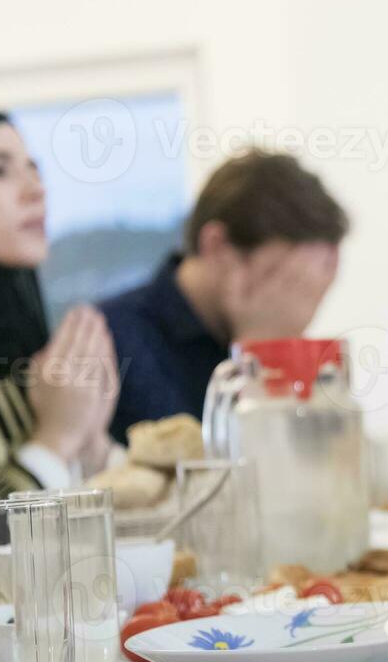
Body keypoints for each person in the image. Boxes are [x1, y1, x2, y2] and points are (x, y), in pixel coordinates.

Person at [99, 148, 347, 442]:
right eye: (287, 281)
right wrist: (262, 352)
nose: (297, 315)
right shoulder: (113, 341)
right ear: (217, 247)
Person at [0, 104, 118, 502]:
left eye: (34, 169)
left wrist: (92, 441)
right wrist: (55, 438)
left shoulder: (21, 336)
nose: (36, 189)